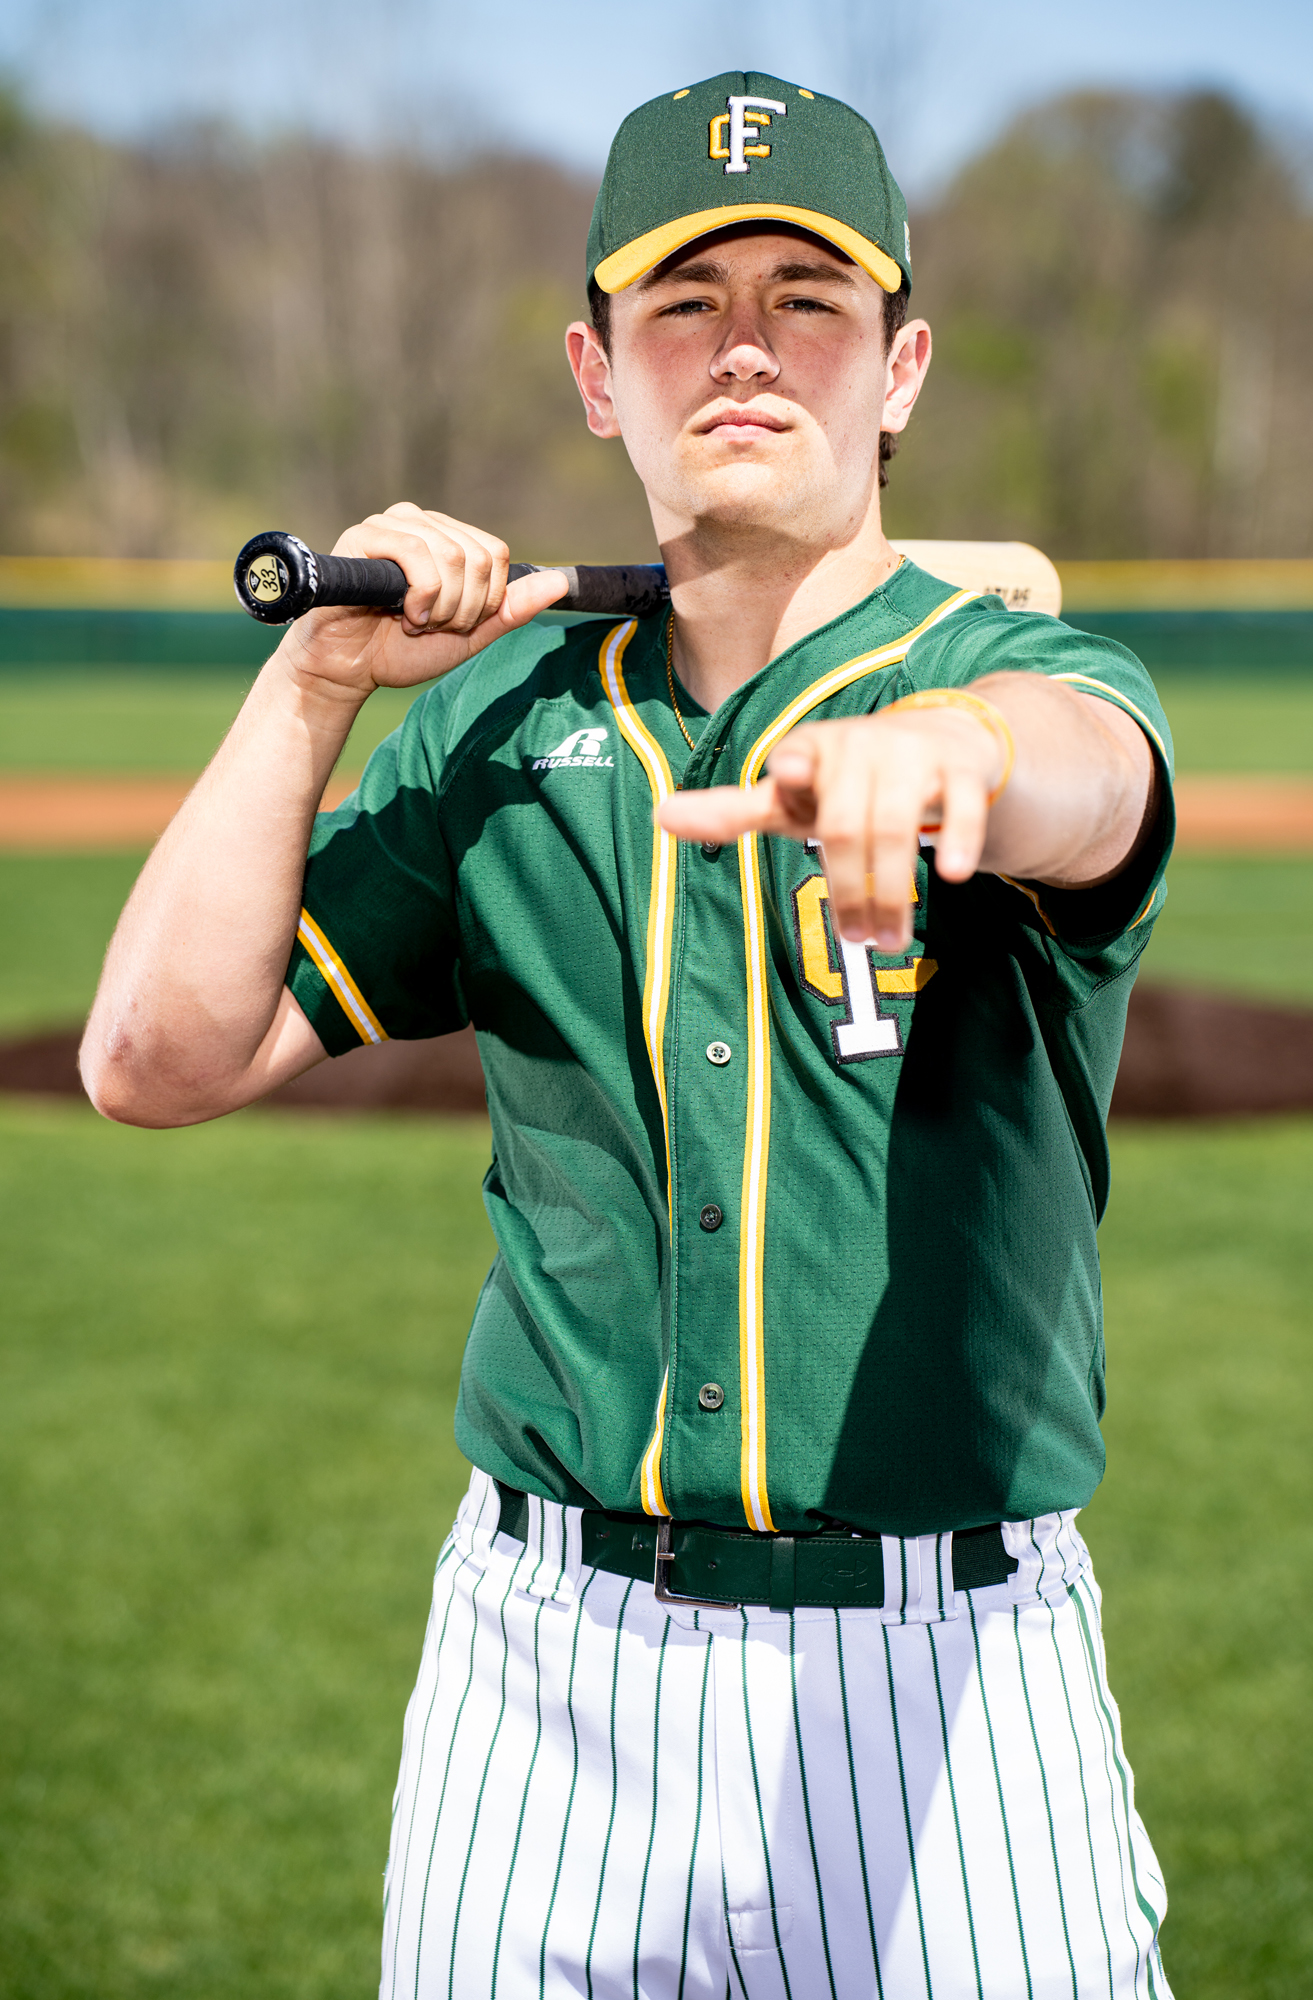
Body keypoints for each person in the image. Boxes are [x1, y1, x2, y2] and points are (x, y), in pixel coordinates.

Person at [82, 70, 1176, 2000]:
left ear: (901, 369)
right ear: (599, 376)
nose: (745, 347)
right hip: (541, 1673)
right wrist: (315, 685)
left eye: (806, 302)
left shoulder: (1014, 676)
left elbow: (1087, 778)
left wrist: (951, 756)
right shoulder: (503, 733)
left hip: (944, 1675)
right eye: (686, 304)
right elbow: (154, 1063)